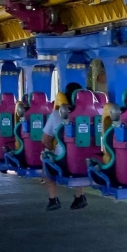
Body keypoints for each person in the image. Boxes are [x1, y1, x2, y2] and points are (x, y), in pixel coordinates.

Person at [41, 82, 88, 211]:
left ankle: (53, 199)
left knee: (45, 159)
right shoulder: (95, 113)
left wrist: (50, 151)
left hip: (65, 161)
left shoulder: (57, 114)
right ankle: (79, 196)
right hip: (89, 160)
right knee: (81, 154)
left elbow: (45, 139)